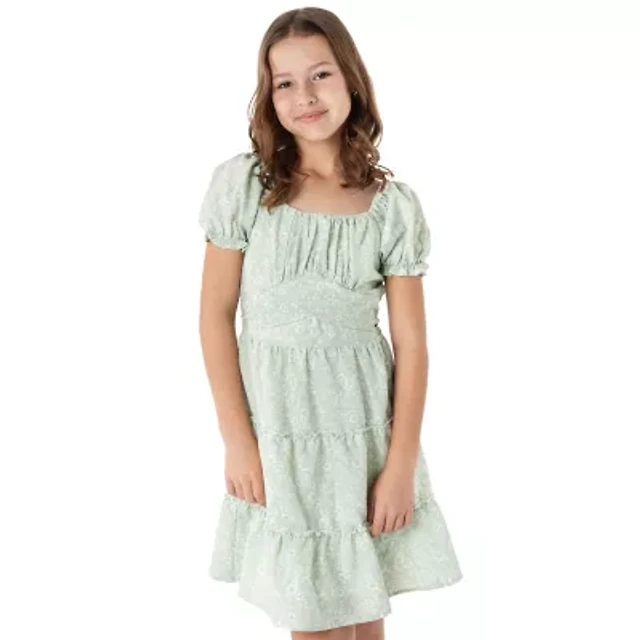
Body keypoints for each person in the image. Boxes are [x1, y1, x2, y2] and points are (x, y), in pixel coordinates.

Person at [198, 7, 462, 639]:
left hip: (363, 440)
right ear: (269, 96)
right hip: (280, 439)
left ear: (351, 79)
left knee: (363, 619)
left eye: (320, 74)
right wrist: (238, 441)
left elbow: (412, 345)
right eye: (284, 83)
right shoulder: (246, 187)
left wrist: (400, 466)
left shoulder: (391, 208)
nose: (305, 96)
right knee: (313, 619)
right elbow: (214, 316)